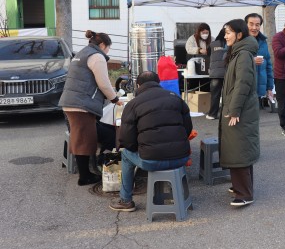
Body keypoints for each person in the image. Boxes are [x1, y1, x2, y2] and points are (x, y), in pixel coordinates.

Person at [109, 71, 192, 212]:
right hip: (181, 158)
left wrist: (139, 147)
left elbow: (126, 138)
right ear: (158, 83)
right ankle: (180, 195)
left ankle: (126, 201)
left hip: (151, 161)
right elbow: (187, 128)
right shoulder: (176, 98)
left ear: (138, 85)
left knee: (126, 155)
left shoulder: (133, 104)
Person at [59, 30, 123, 186]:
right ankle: (85, 176)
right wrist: (115, 99)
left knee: (85, 135)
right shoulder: (97, 57)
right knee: (85, 139)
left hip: (72, 102)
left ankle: (91, 169)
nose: (108, 51)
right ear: (102, 45)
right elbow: (103, 82)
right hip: (81, 104)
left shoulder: (82, 53)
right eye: (108, 48)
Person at [220, 19, 260, 207]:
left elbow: (243, 83)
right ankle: (241, 187)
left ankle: (244, 193)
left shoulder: (242, 54)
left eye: (228, 32)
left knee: (238, 150)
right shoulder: (239, 52)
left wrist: (234, 109)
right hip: (240, 107)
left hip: (240, 109)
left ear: (239, 34)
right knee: (239, 148)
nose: (225, 36)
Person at [245, 13, 274, 108]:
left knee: (255, 120)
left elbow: (268, 66)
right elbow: (230, 60)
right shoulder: (238, 40)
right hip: (243, 90)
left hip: (259, 90)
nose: (254, 27)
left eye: (257, 25)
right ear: (245, 25)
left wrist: (270, 87)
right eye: (251, 24)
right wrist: (251, 60)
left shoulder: (263, 41)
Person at [206, 28, 227, 120]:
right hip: (227, 73)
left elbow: (208, 55)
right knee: (228, 94)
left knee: (215, 95)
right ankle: (226, 114)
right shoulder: (230, 44)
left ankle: (212, 114)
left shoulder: (212, 44)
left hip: (215, 73)